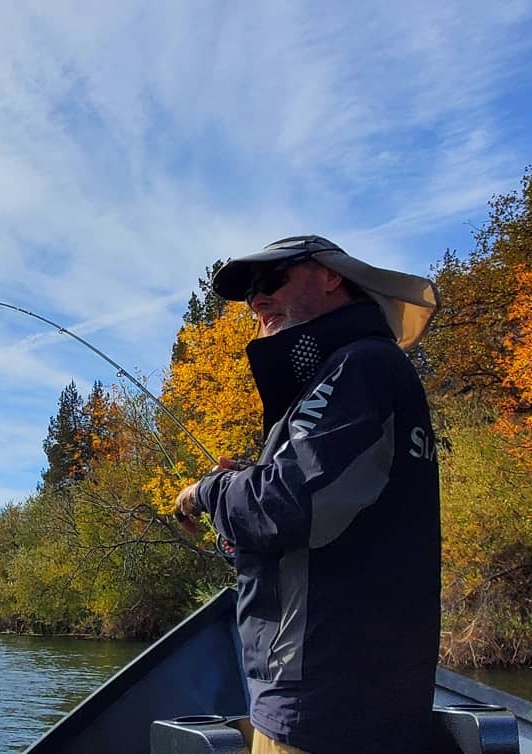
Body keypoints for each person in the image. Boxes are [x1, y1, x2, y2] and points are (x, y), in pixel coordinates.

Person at [174, 235, 441, 754]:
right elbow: (317, 510)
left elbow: (288, 503)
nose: (257, 300)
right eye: (251, 292)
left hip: (322, 706)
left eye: (271, 280)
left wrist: (210, 491)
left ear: (331, 275)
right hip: (349, 696)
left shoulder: (359, 367)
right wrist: (241, 499)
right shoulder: (352, 373)